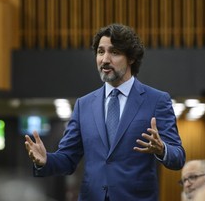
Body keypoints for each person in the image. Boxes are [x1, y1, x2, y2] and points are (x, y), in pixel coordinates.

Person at [25, 23, 186, 201]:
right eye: (101, 52)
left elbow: (178, 157)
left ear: (131, 58)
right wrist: (46, 160)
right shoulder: (83, 105)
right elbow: (68, 159)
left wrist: (162, 149)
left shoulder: (156, 100)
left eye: (114, 52)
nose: (105, 59)